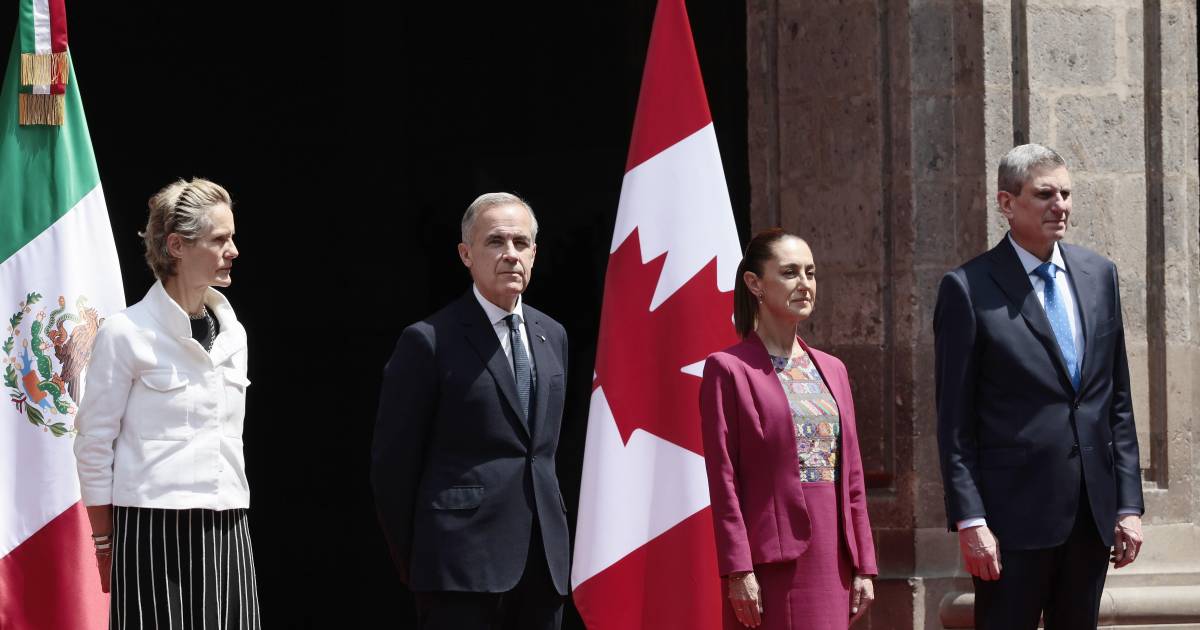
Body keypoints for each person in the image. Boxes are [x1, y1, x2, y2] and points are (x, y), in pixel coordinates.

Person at [934, 143, 1145, 629]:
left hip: (1092, 519)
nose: (1061, 205)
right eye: (1045, 194)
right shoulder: (968, 288)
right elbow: (955, 422)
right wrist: (970, 520)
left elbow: (1117, 402)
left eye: (1067, 194)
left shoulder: (1099, 276)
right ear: (1006, 203)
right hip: (1011, 524)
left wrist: (1128, 505)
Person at [371, 192, 570, 630]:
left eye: (521, 243)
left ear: (535, 253)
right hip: (458, 566)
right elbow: (393, 466)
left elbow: (545, 451)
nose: (510, 255)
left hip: (542, 565)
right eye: (495, 242)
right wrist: (421, 560)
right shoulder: (428, 340)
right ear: (466, 254)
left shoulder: (551, 335)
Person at [74, 177, 260, 628]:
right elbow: (93, 442)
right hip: (151, 529)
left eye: (231, 237)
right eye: (219, 239)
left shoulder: (234, 334)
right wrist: (103, 541)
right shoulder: (126, 333)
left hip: (228, 525)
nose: (233, 250)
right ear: (177, 246)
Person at [699, 228, 878, 630]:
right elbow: (724, 480)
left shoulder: (833, 369)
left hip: (834, 559)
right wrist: (738, 569)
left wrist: (864, 563)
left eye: (811, 273)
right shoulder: (728, 369)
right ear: (754, 284)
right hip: (770, 565)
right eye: (790, 272)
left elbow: (852, 477)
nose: (805, 284)